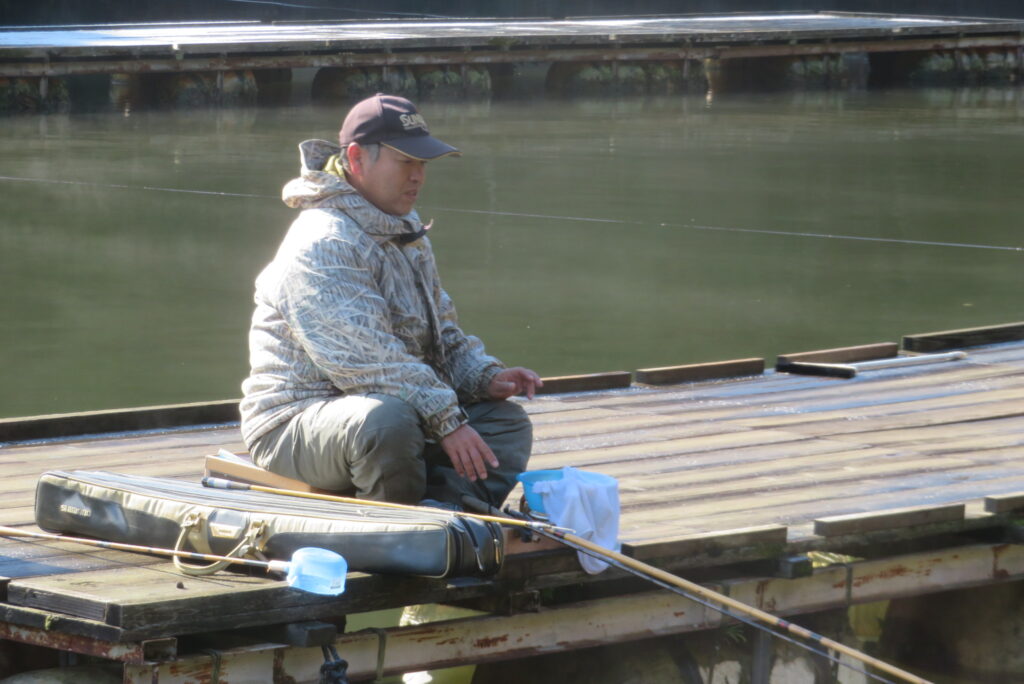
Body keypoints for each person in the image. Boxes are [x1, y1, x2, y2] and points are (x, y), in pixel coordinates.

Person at [239, 93, 541, 510]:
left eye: (423, 163)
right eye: (405, 162)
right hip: (294, 422)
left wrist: (484, 377)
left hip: (395, 405)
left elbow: (441, 334)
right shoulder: (323, 241)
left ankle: (444, 518)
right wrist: (448, 421)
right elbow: (367, 362)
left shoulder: (406, 230)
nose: (418, 176)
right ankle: (394, 530)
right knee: (386, 423)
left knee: (505, 424)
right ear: (357, 158)